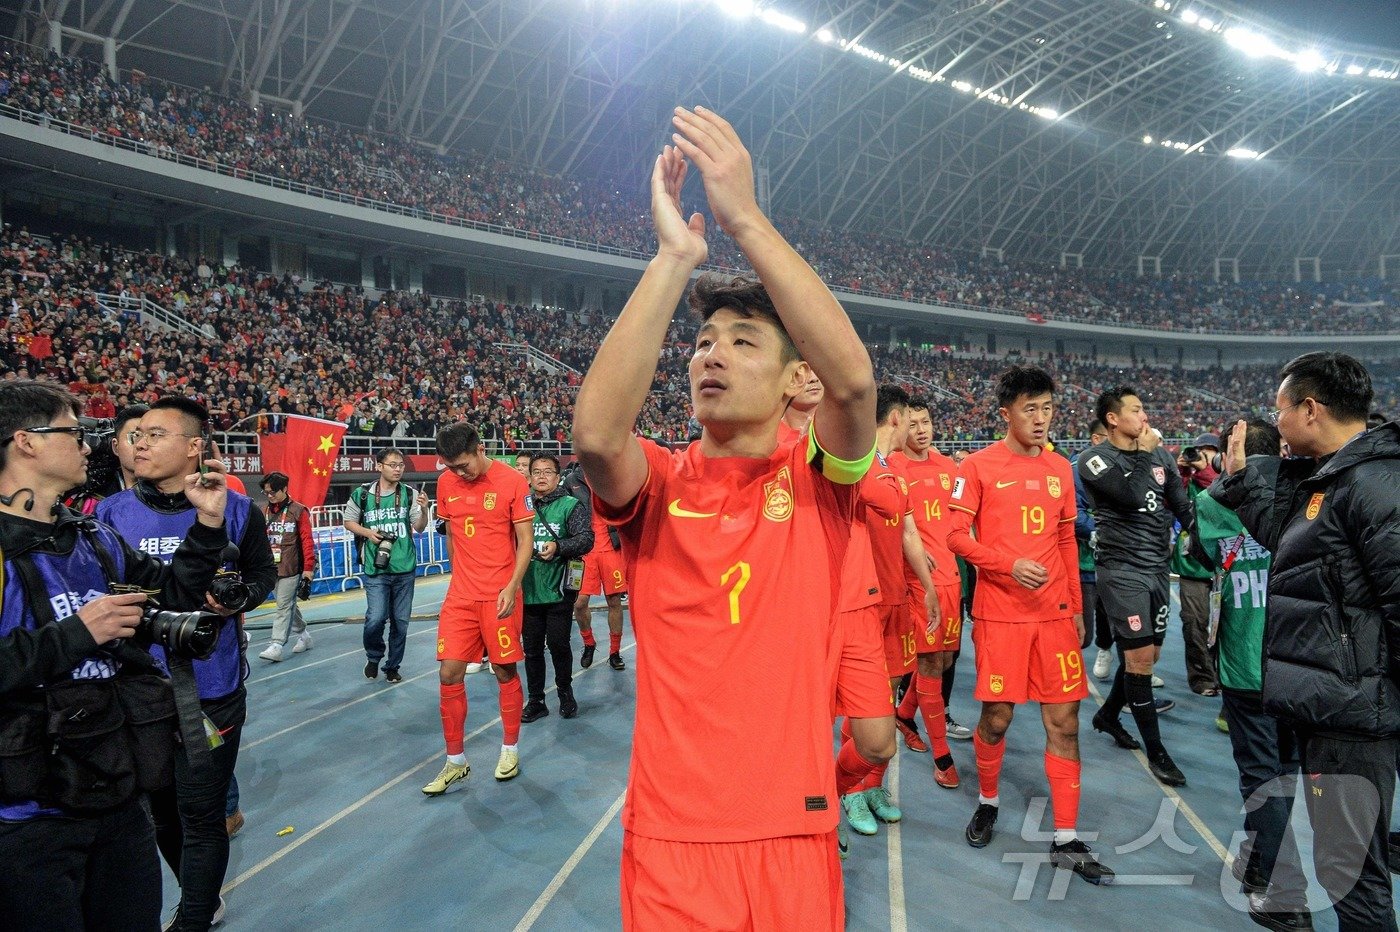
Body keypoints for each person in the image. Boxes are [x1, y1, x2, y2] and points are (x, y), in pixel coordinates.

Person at [572, 109, 875, 929]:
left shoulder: (820, 484)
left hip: (795, 825)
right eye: (704, 341)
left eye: (744, 343)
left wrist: (743, 216)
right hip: (674, 834)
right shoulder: (661, 484)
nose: (711, 353)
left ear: (789, 382)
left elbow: (851, 389)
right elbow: (598, 436)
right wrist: (676, 259)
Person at [0, 380, 229, 931]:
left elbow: (174, 595)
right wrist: (80, 631)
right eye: (75, 432)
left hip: (116, 797)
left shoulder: (93, 538)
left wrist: (207, 524)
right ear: (26, 442)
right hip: (27, 818)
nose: (90, 446)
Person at [1212, 352, 1400, 931]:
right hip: (1337, 703)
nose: (1278, 421)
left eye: (1281, 410)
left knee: (1352, 875)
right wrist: (1244, 484)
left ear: (1310, 409)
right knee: (1347, 867)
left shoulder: (1372, 484)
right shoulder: (1338, 476)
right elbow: (1295, 551)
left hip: (1352, 712)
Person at [96, 395, 277, 932]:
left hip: (212, 689)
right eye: (137, 435)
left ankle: (194, 915)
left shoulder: (239, 509)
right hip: (137, 690)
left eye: (156, 434)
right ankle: (200, 895)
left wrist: (240, 596)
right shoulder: (109, 514)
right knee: (159, 815)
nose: (141, 442)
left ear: (195, 447)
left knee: (202, 816)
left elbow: (263, 575)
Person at [948, 366, 1111, 885]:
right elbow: (954, 535)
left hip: (1055, 617)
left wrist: (1074, 605)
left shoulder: (1061, 468)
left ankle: (1066, 837)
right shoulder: (977, 466)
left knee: (1064, 723)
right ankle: (989, 801)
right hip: (1000, 616)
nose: (1040, 420)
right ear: (1006, 414)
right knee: (996, 718)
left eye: (1047, 409)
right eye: (1030, 409)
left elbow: (1066, 539)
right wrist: (1005, 564)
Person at [1196, 418, 1311, 932]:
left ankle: (1288, 896)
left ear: (1228, 456)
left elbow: (1202, 557)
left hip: (1247, 662)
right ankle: (1258, 859)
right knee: (1284, 771)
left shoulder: (1213, 501)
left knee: (1262, 776)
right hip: (1300, 660)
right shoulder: (1306, 495)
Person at [1078, 386, 1193, 787]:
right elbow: (1129, 495)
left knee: (1149, 656)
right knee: (1140, 660)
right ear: (1113, 418)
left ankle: (1108, 715)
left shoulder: (1162, 457)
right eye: (1136, 409)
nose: (1144, 416)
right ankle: (1158, 753)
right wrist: (1145, 453)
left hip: (1157, 569)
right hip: (1121, 570)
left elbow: (1182, 507)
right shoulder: (1093, 459)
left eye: (1144, 408)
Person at [427, 423, 534, 793]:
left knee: (504, 672)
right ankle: (455, 761)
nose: (459, 473)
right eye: (451, 467)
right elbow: (454, 534)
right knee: (448, 674)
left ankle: (510, 748)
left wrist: (512, 585)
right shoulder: (445, 484)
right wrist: (457, 578)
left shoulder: (512, 481)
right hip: (461, 597)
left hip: (500, 595)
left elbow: (526, 541)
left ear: (480, 448)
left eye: (463, 465)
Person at [891, 397, 963, 789]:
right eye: (913, 423)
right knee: (931, 664)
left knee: (947, 659)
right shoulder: (893, 466)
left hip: (953, 579)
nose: (921, 430)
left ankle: (903, 714)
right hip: (919, 583)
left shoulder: (949, 466)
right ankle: (943, 757)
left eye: (926, 422)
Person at [344, 447, 429, 683]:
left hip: (404, 568)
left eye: (401, 465)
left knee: (400, 623)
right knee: (375, 618)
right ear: (379, 466)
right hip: (376, 569)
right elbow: (348, 521)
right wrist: (367, 533)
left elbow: (420, 527)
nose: (398, 469)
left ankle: (392, 666)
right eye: (392, 464)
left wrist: (424, 509)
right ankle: (374, 657)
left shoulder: (409, 494)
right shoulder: (362, 494)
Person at [521, 454, 593, 722]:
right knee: (532, 649)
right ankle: (536, 700)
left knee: (559, 644)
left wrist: (559, 547)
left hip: (559, 588)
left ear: (557, 475)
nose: (541, 476)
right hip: (528, 589)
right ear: (529, 477)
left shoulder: (571, 506)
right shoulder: (520, 507)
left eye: (547, 472)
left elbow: (586, 539)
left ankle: (565, 692)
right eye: (536, 472)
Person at [567, 468, 629, 671]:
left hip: (611, 548)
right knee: (579, 603)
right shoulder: (571, 481)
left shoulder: (611, 475)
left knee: (614, 600)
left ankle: (614, 651)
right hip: (584, 551)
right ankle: (589, 643)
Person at [1174, 432, 1220, 696]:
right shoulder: (1185, 481)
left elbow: (1221, 491)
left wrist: (1204, 471)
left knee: (1226, 625)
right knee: (1194, 624)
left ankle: (1222, 673)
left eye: (1208, 451)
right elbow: (1170, 499)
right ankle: (1202, 678)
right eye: (1197, 451)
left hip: (1223, 565)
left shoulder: (1222, 477)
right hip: (1192, 565)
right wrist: (1181, 470)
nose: (1201, 456)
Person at [255, 472, 316, 662]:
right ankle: (304, 635)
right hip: (271, 567)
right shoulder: (264, 511)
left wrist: (308, 568)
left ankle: (277, 644)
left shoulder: (298, 511)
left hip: (291, 567)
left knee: (283, 605)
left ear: (284, 489)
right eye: (266, 493)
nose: (270, 496)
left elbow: (307, 540)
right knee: (288, 604)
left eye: (273, 492)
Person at [1071, 420, 1112, 679]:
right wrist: (1100, 529)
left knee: (1118, 620)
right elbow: (1072, 512)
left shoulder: (1122, 466)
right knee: (1082, 631)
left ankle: (1108, 650)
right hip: (1085, 563)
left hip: (1116, 561)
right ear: (1097, 440)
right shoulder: (1075, 470)